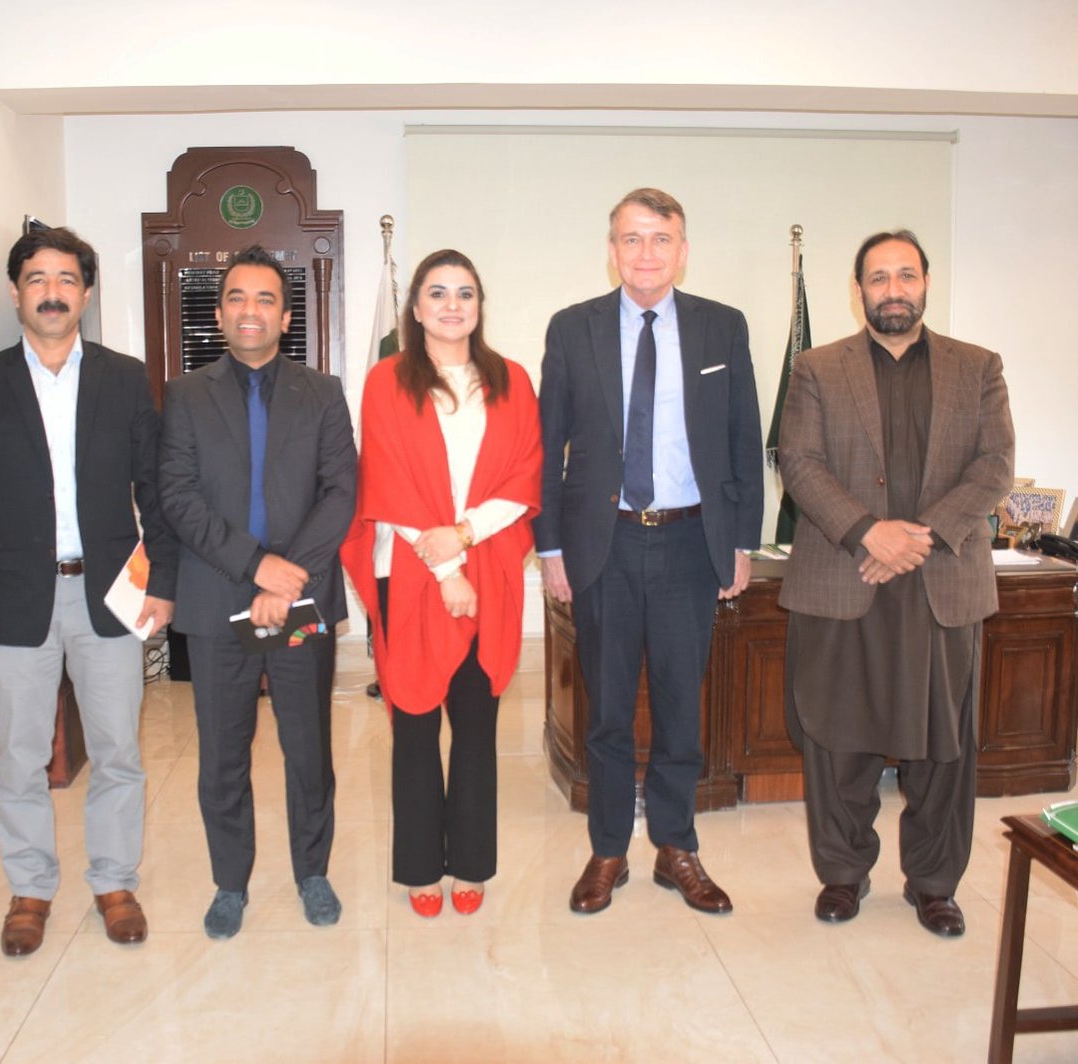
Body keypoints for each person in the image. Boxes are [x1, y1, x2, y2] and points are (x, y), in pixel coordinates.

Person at [0, 226, 177, 956]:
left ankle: (113, 880)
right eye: (37, 279)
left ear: (86, 292)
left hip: (109, 595)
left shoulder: (124, 377)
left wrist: (160, 586)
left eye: (67, 279)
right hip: (15, 601)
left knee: (116, 750)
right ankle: (31, 887)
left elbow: (158, 493)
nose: (52, 292)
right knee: (18, 756)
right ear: (17, 292)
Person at [778, 230, 1014, 936]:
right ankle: (843, 876)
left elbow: (996, 465)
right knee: (837, 741)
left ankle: (935, 883)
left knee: (944, 746)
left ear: (926, 283)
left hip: (941, 584)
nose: (892, 289)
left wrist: (922, 536)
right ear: (858, 290)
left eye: (905, 275)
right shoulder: (817, 369)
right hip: (843, 580)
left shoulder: (979, 367)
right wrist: (867, 532)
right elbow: (799, 461)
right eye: (877, 278)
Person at [535, 189, 764, 916]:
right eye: (631, 239)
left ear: (682, 249)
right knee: (604, 710)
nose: (645, 253)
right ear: (612, 249)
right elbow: (548, 447)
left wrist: (741, 542)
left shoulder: (721, 328)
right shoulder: (573, 330)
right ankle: (608, 850)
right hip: (603, 542)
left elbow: (743, 443)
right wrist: (549, 546)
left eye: (660, 239)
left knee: (678, 705)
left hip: (691, 544)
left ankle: (675, 846)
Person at [159, 245, 356, 936]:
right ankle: (230, 883)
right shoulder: (184, 396)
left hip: (296, 602)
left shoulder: (322, 393)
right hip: (219, 603)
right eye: (237, 298)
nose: (251, 310)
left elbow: (341, 492)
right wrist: (254, 567)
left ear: (286, 315)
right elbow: (177, 498)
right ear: (219, 314)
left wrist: (286, 574)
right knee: (222, 754)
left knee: (307, 747)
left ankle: (312, 871)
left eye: (265, 299)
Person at [342, 249, 541, 917]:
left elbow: (524, 479)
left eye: (465, 293)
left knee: (477, 726)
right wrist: (445, 569)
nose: (452, 305)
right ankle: (422, 867)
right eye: (438, 293)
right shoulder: (386, 381)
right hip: (409, 571)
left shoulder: (510, 380)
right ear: (417, 307)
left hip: (486, 568)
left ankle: (473, 866)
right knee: (416, 725)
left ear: (479, 306)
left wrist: (462, 541)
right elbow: (388, 486)